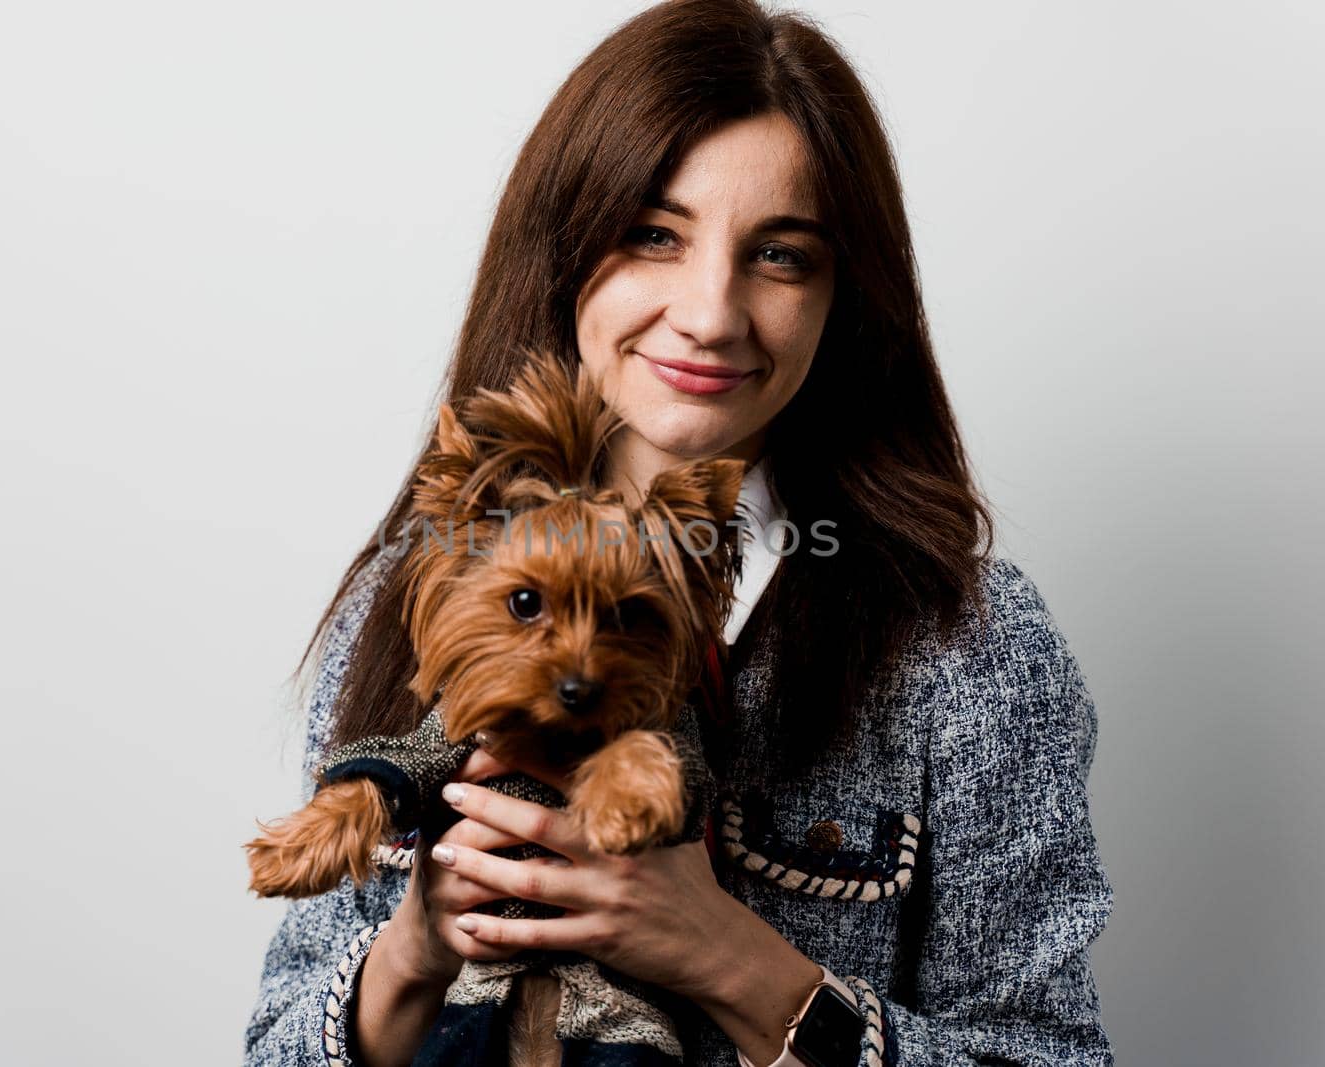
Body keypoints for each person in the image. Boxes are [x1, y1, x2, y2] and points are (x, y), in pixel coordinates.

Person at [244, 2, 1115, 1065]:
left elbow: (1047, 1054)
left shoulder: (963, 644)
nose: (710, 311)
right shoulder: (410, 588)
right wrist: (416, 948)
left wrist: (733, 961)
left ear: (845, 297)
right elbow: (273, 1043)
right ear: (565, 254)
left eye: (781, 255)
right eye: (654, 235)